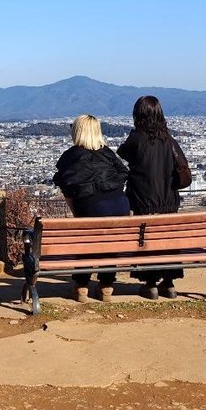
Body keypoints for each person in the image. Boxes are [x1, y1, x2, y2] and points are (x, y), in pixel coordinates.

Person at [117, 95, 191, 299]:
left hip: (143, 201)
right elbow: (183, 169)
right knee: (168, 240)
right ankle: (169, 283)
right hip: (169, 201)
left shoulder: (136, 139)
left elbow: (122, 153)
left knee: (147, 241)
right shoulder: (169, 140)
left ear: (137, 115)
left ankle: (150, 283)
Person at [52, 114, 130, 301]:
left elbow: (67, 189)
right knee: (110, 242)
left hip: (91, 206)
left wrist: (78, 214)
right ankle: (106, 286)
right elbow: (122, 176)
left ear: (77, 132)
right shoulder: (107, 153)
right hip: (120, 206)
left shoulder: (70, 156)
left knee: (85, 240)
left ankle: (81, 286)